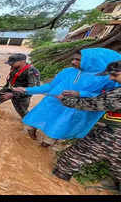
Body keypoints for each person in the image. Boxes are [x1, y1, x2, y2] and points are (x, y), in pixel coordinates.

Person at [13, 48, 121, 147]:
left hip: (72, 110)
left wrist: (80, 93)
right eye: (73, 59)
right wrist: (26, 90)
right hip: (52, 103)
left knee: (55, 132)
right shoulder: (67, 71)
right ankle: (30, 142)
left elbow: (106, 98)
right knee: (33, 123)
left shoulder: (107, 78)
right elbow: (50, 86)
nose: (73, 62)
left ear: (91, 60)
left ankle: (42, 149)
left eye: (78, 60)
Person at [52, 60, 121, 193]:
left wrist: (65, 100)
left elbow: (94, 104)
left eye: (115, 75)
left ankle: (55, 186)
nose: (112, 78)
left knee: (70, 159)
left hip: (113, 136)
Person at [0, 53, 40, 118]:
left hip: (22, 95)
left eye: (12, 63)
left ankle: (31, 125)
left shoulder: (32, 71)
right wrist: (6, 88)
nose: (10, 64)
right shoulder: (15, 67)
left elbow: (33, 90)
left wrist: (13, 95)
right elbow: (11, 79)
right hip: (10, 88)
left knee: (24, 113)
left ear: (22, 62)